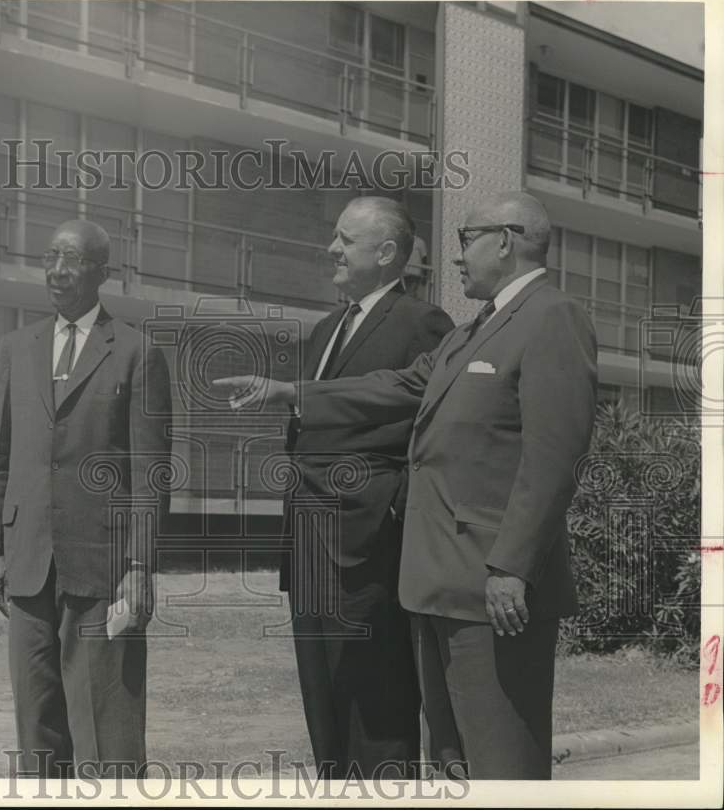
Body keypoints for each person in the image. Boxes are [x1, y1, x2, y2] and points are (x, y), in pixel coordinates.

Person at [217, 191, 597, 779]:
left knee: (502, 765)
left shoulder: (552, 316)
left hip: (492, 586)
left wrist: (513, 567)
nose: (454, 257)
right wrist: (292, 393)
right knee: (451, 761)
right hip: (440, 583)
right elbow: (397, 385)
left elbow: (555, 457)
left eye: (467, 240)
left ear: (506, 239)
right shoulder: (475, 330)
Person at [0, 219, 173, 779]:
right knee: (36, 725)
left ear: (101, 272)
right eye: (50, 257)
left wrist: (139, 566)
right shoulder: (17, 347)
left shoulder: (138, 352)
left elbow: (150, 472)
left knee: (108, 733)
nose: (58, 271)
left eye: (73, 260)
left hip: (103, 568)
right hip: (28, 564)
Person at [281, 197, 453, 779]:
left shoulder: (423, 323)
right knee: (322, 699)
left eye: (344, 239)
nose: (331, 249)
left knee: (377, 705)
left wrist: (390, 507)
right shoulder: (327, 327)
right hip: (308, 543)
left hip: (369, 545)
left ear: (385, 254)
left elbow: (429, 431)